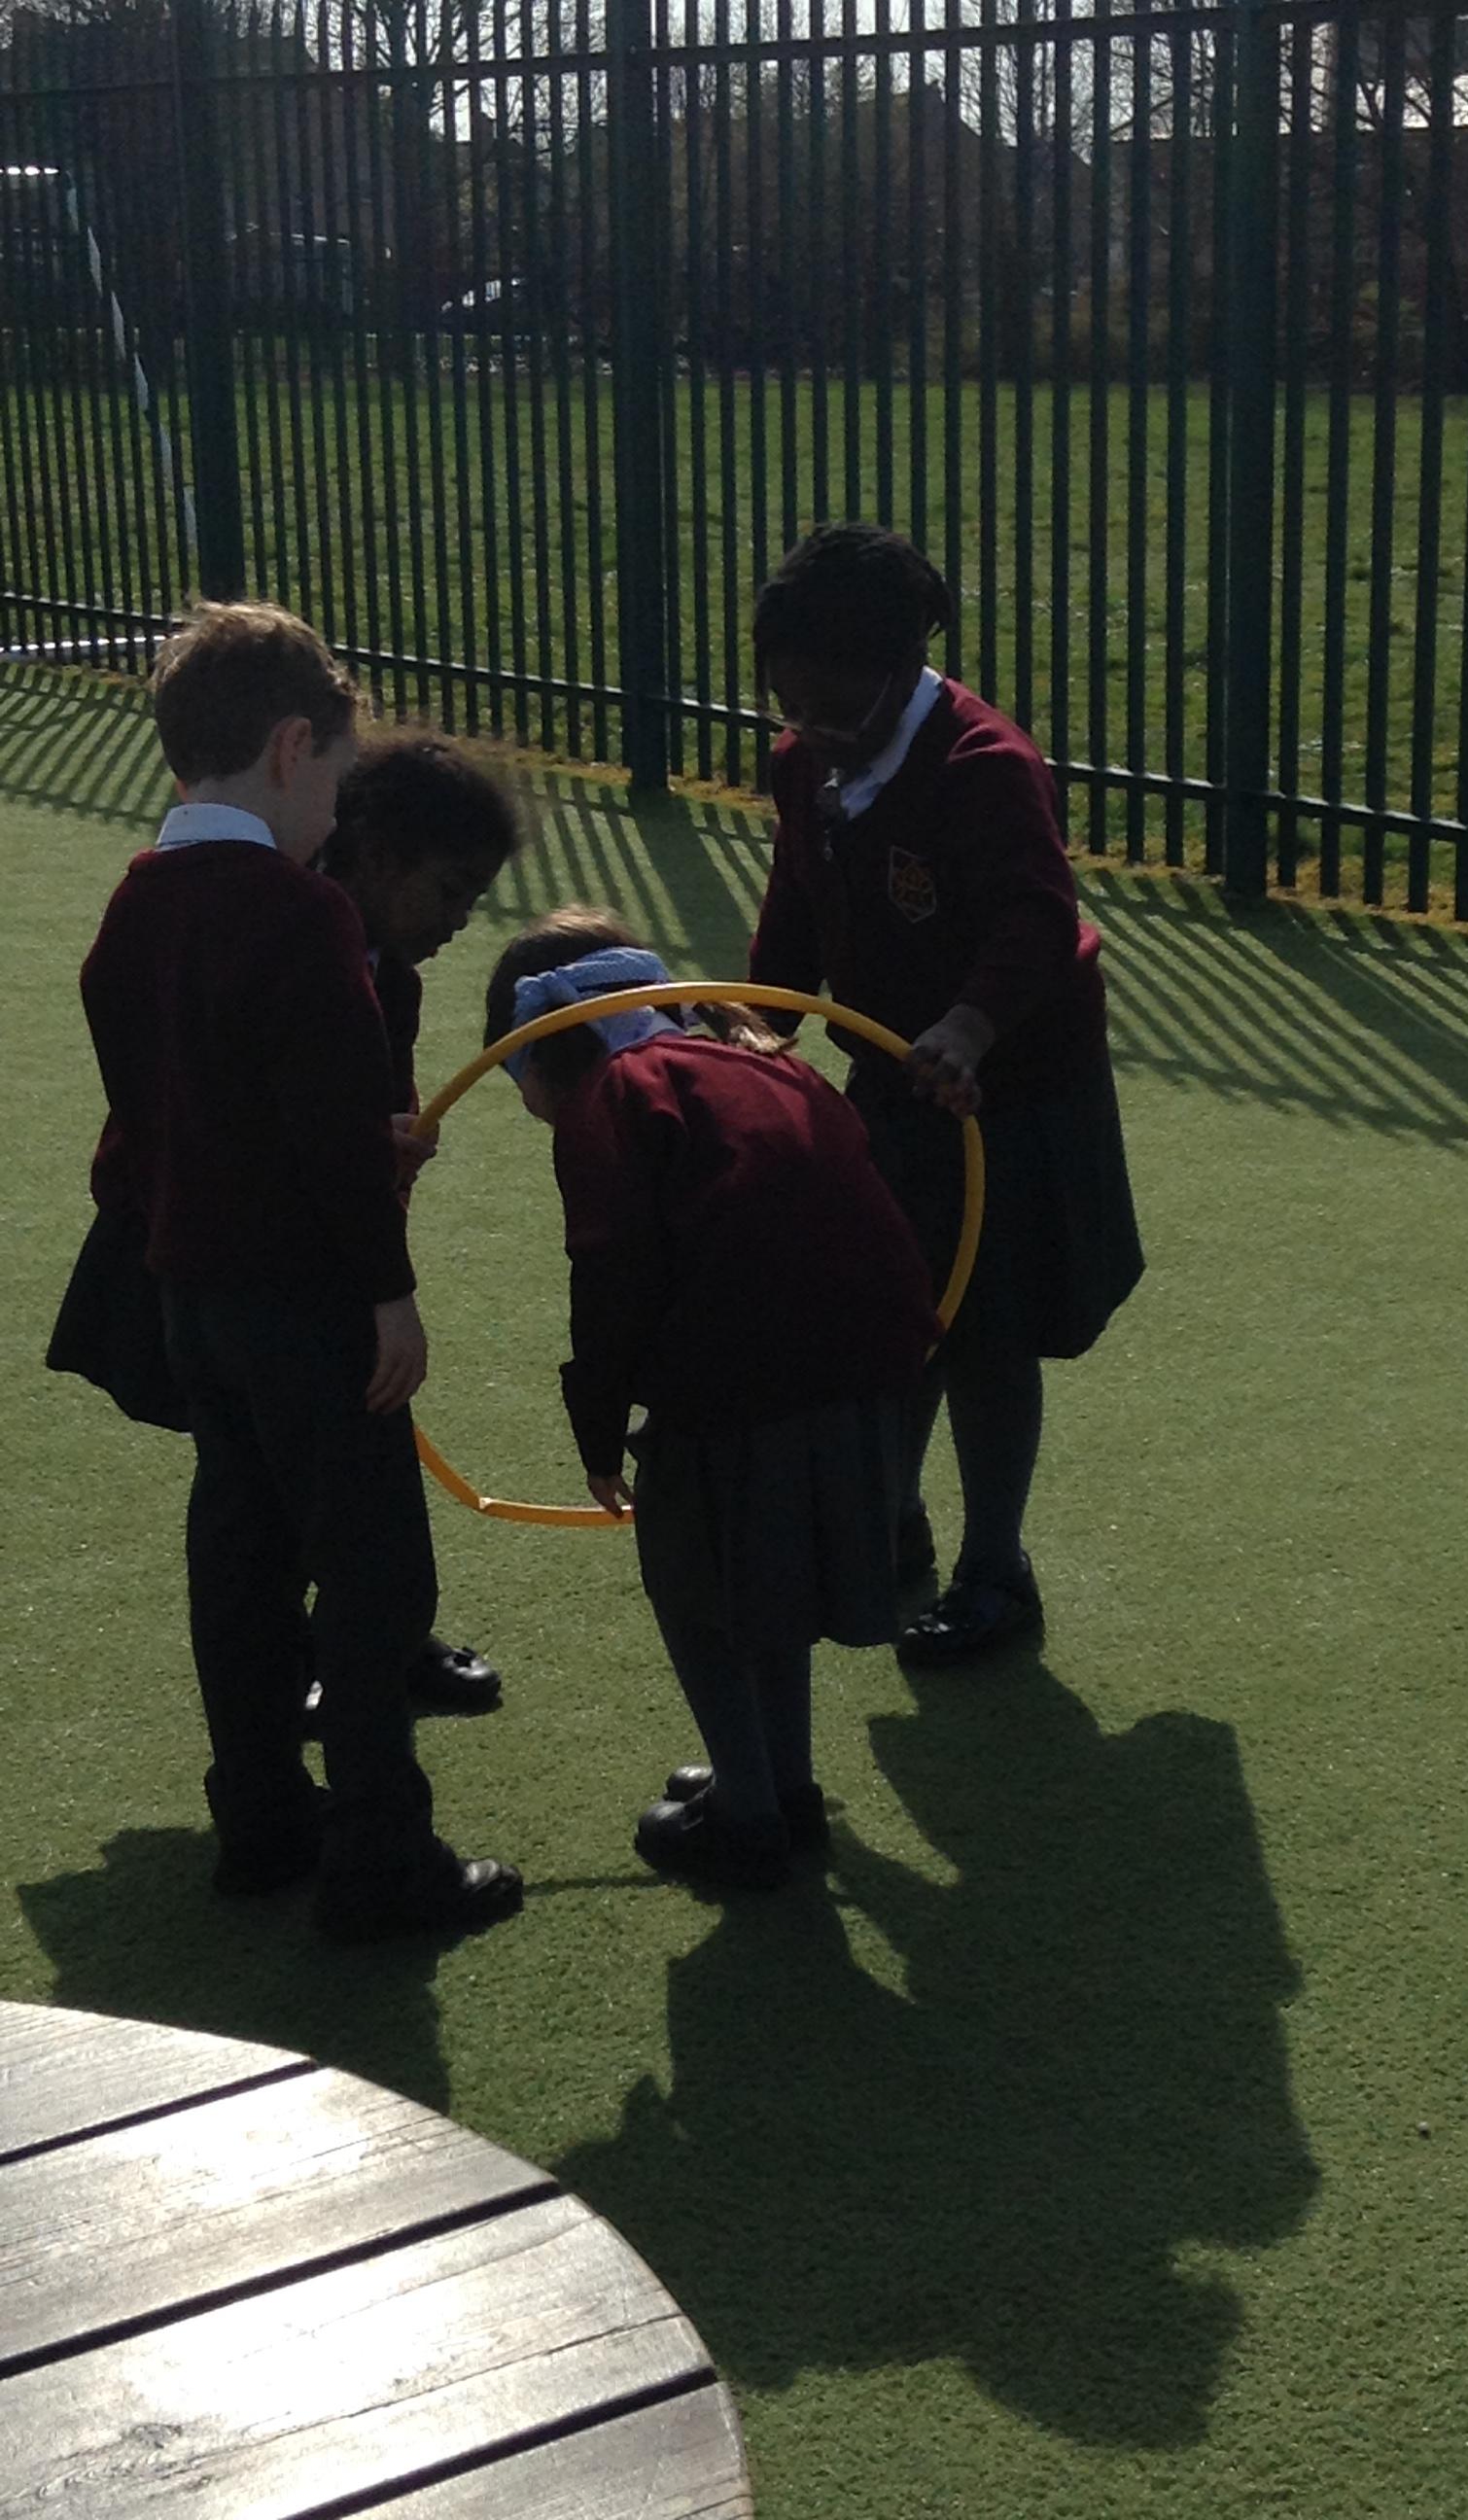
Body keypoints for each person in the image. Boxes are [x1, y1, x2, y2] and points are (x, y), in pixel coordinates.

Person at [77, 601, 522, 1942]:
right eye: (335, 770)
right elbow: (331, 1141)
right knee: (373, 1569)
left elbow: (165, 1107)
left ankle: (260, 1820)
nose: (339, 802)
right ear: (289, 751)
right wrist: (387, 1288)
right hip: (308, 1303)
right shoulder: (295, 914)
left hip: (193, 1296)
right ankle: (384, 1862)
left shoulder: (136, 904)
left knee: (240, 1552)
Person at [748, 522, 1144, 1662]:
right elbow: (799, 907)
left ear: (896, 670)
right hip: (896, 1080)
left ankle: (994, 1571)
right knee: (892, 1315)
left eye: (833, 713)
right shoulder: (805, 765)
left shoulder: (983, 766)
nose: (810, 737)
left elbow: (1036, 919)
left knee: (987, 1334)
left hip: (1011, 1093)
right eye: (789, 707)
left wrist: (968, 1028)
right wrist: (758, 1023)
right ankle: (891, 1525)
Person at [486, 907, 937, 1890]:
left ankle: (747, 1812)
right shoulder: (763, 1060)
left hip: (741, 1377)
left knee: (698, 1593)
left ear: (543, 1057)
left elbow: (611, 1279)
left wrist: (598, 1428)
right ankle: (781, 1783)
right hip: (867, 1365)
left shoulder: (619, 1097)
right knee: (769, 1590)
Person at [309, 731, 522, 1721]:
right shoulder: (297, 946)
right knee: (281, 1489)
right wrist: (389, 1290)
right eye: (450, 893)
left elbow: (368, 1127)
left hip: (335, 1253)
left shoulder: (386, 971)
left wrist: (392, 1145)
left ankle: (387, 1638)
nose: (456, 921)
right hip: (280, 1262)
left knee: (370, 1452)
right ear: (383, 859)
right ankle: (340, 1668)